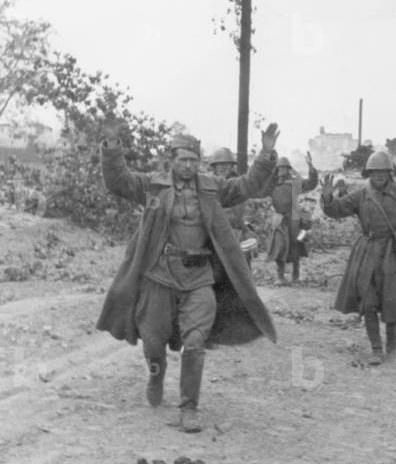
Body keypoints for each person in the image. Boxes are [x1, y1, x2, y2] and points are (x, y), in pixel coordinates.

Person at [97, 125, 280, 433]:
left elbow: (248, 185)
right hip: (160, 276)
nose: (188, 166)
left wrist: (265, 153)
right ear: (171, 160)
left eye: (193, 161)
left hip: (199, 277)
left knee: (194, 342)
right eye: (182, 160)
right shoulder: (153, 186)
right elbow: (118, 181)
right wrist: (113, 147)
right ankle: (156, 374)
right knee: (153, 342)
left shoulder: (212, 187)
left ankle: (189, 408)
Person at [320, 151, 396, 364]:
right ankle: (376, 348)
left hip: (391, 252)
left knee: (391, 298)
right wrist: (327, 197)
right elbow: (336, 210)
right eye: (375, 172)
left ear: (390, 173)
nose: (379, 175)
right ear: (369, 173)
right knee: (368, 300)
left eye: (384, 171)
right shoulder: (360, 195)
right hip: (367, 251)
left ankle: (391, 340)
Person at [266, 154, 318, 283]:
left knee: (296, 245)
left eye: (284, 168)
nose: (282, 170)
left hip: (294, 217)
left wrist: (311, 167)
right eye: (279, 168)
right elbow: (256, 189)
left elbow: (311, 184)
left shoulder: (294, 183)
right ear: (276, 169)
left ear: (289, 169)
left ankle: (296, 275)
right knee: (279, 246)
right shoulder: (271, 185)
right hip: (279, 218)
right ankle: (280, 276)